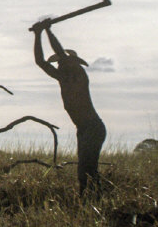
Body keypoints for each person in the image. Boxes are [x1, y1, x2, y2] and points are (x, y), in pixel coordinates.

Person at [33, 21, 105, 193]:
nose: (59, 65)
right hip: (83, 128)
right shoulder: (63, 78)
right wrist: (38, 34)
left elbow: (61, 54)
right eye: (59, 63)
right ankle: (92, 198)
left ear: (74, 64)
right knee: (85, 169)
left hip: (93, 127)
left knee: (86, 169)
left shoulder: (79, 76)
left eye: (63, 62)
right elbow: (40, 62)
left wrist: (48, 31)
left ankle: (93, 198)